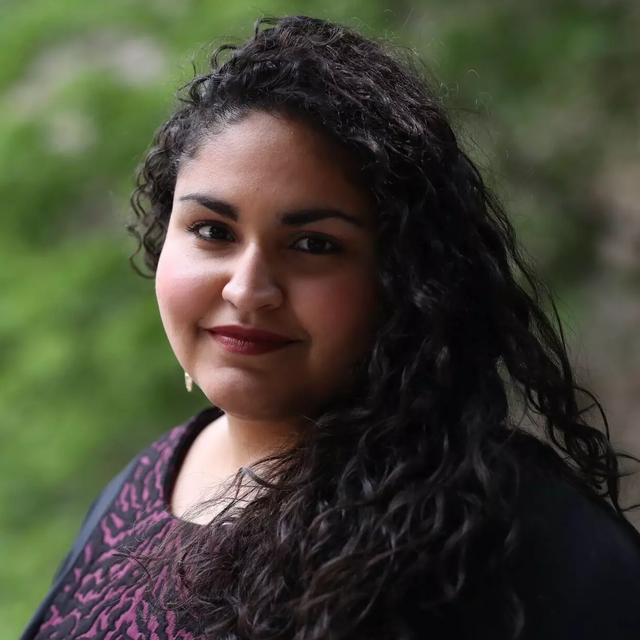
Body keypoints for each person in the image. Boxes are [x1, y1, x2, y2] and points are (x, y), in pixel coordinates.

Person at [20, 14, 640, 640]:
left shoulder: (514, 537)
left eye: (314, 244)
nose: (248, 289)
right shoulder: (141, 488)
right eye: (213, 232)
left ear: (406, 277)